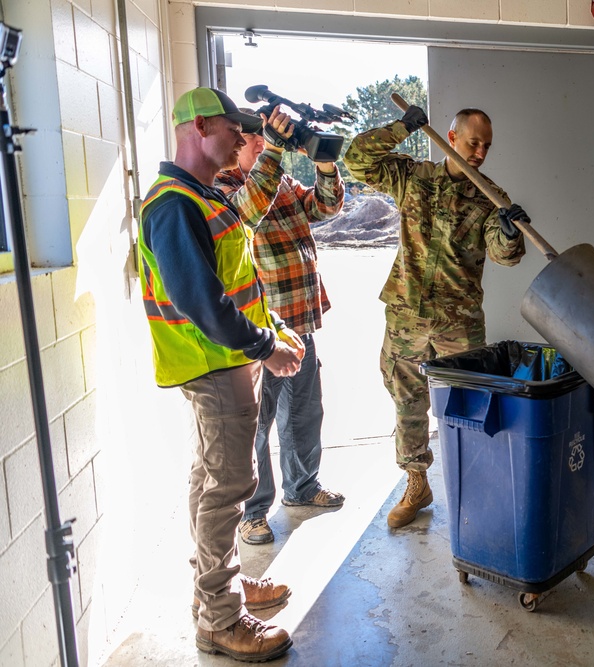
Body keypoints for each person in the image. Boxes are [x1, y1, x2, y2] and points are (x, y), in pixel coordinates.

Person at [137, 87, 302, 662]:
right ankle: (220, 620)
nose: (242, 137)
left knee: (211, 481)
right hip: (213, 364)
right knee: (229, 488)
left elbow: (235, 280)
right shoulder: (173, 205)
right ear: (202, 126)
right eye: (234, 127)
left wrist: (272, 325)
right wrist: (265, 348)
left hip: (222, 362)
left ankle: (218, 592)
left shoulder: (199, 196)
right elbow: (203, 304)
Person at [343, 105, 530, 528]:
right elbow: (356, 160)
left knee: (469, 408)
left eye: (486, 146)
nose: (480, 152)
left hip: (457, 320)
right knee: (407, 401)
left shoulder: (490, 195)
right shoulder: (413, 177)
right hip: (407, 313)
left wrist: (508, 231)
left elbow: (506, 257)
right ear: (450, 135)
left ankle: (478, 487)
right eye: (473, 142)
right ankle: (417, 484)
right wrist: (400, 128)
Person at [215, 106, 347, 545]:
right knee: (258, 423)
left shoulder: (284, 183)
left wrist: (324, 161)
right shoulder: (224, 188)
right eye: (254, 138)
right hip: (261, 331)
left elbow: (326, 206)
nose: (259, 143)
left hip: (300, 322)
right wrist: (274, 153)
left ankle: (303, 488)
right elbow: (246, 214)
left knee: (305, 413)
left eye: (265, 138)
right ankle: (252, 513)